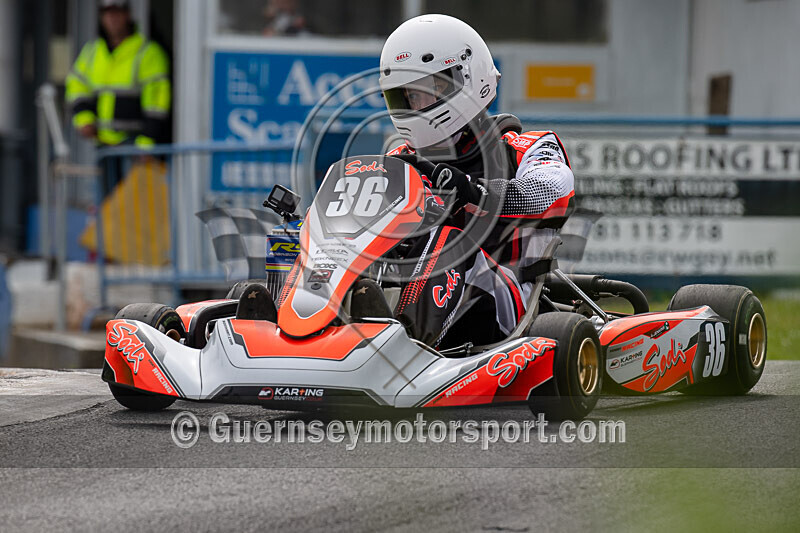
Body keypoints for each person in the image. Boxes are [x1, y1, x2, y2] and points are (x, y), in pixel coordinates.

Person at [376, 14, 576, 348]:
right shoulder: (400, 159)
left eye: (430, 89)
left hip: (503, 295)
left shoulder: (525, 148)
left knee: (449, 239)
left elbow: (548, 193)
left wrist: (472, 190)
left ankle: (403, 346)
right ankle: (300, 324)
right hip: (403, 281)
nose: (419, 105)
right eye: (409, 97)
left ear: (468, 78)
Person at [65, 0, 171, 148]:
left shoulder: (147, 51)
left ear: (127, 15)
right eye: (108, 14)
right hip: (103, 143)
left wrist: (148, 139)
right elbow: (76, 85)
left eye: (117, 13)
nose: (112, 19)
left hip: (134, 144)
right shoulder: (92, 51)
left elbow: (157, 99)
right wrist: (84, 118)